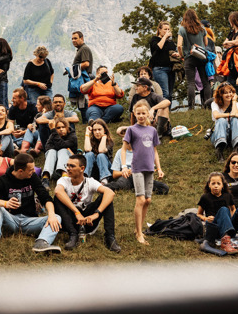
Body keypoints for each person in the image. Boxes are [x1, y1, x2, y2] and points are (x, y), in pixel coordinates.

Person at [0, 152, 62, 254]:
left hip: (30, 221)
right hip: (10, 220)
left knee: (57, 217)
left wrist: (51, 215)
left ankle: (42, 242)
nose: (34, 171)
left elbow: (45, 197)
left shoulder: (33, 177)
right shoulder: (3, 180)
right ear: (21, 171)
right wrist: (5, 203)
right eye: (30, 170)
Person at [54, 154, 120, 252]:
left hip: (87, 222)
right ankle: (73, 235)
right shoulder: (63, 180)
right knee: (57, 198)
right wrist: (77, 213)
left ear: (82, 168)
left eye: (72, 166)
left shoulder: (90, 182)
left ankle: (110, 237)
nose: (68, 169)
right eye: (67, 165)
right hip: (69, 220)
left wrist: (96, 214)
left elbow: (110, 193)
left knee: (106, 197)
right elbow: (57, 191)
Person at [123, 101, 164, 245]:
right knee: (140, 200)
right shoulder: (131, 130)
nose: (141, 116)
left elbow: (154, 151)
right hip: (137, 168)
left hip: (149, 168)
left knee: (148, 200)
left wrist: (159, 168)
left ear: (148, 114)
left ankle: (138, 228)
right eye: (138, 113)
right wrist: (123, 166)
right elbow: (124, 149)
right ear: (134, 114)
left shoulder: (152, 131)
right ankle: (139, 233)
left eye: (143, 113)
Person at [196, 172, 238, 254]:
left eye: (218, 183)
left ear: (222, 185)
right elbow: (198, 214)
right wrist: (206, 218)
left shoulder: (228, 195)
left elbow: (233, 209)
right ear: (209, 185)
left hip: (227, 226)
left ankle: (229, 235)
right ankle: (226, 243)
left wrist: (233, 221)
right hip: (215, 226)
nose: (216, 186)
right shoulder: (205, 197)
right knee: (224, 209)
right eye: (213, 183)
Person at [177, 8, 212, 109]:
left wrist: (182, 55)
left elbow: (179, 45)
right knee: (205, 82)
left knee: (190, 83)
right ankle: (208, 105)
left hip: (189, 57)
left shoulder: (182, 29)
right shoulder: (201, 28)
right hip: (201, 56)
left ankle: (191, 107)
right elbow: (206, 43)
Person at [210, 82, 238, 161]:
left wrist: (234, 102)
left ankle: (237, 148)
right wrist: (231, 115)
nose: (229, 95)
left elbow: (236, 115)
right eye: (225, 93)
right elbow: (216, 115)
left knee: (235, 119)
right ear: (221, 95)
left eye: (230, 92)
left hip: (233, 134)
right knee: (221, 120)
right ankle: (219, 150)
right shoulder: (215, 104)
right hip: (218, 135)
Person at [40, 118, 76, 189]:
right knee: (51, 151)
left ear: (67, 127)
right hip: (53, 168)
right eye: (58, 128)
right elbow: (47, 147)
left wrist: (61, 146)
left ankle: (65, 178)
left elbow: (63, 145)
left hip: (68, 168)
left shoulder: (72, 136)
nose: (61, 129)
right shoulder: (53, 135)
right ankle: (45, 178)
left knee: (62, 150)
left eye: (63, 127)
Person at [6, 88, 40, 154]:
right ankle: (29, 148)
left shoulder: (33, 107)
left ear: (22, 98)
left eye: (14, 98)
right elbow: (10, 123)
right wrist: (13, 132)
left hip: (32, 131)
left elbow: (36, 126)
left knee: (28, 136)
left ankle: (22, 147)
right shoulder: (13, 109)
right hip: (20, 131)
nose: (12, 100)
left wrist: (23, 132)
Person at [148, 22, 175, 99]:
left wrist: (176, 54)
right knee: (164, 93)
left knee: (170, 94)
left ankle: (167, 111)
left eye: (168, 29)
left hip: (171, 69)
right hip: (159, 69)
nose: (167, 31)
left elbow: (172, 51)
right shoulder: (154, 39)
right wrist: (165, 37)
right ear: (159, 30)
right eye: (165, 29)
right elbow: (158, 47)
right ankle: (161, 110)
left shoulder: (170, 42)